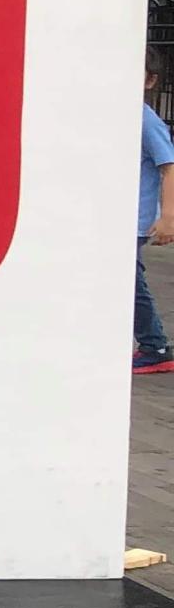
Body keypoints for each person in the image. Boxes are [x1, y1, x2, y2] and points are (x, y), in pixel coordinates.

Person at [140, 58, 174, 375]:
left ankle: (155, 346)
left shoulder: (145, 120)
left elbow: (169, 167)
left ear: (150, 82)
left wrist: (169, 218)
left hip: (137, 220)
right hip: (121, 219)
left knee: (132, 283)